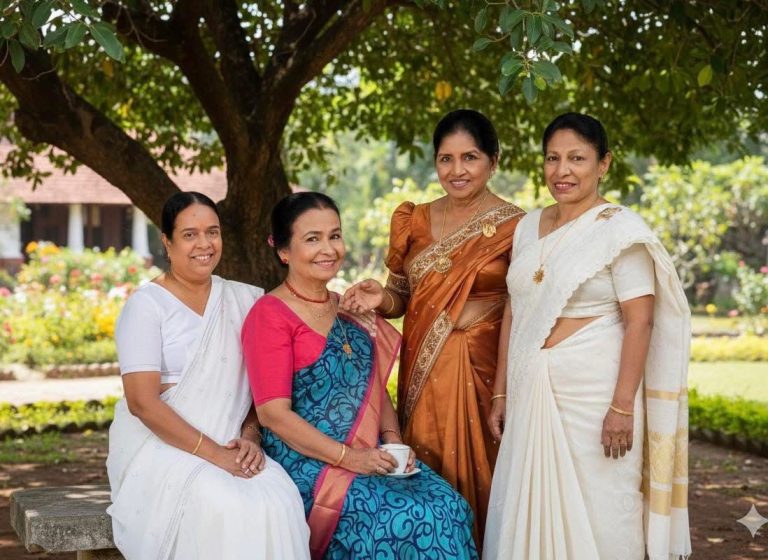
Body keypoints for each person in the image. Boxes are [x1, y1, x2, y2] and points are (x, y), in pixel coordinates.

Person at [484, 113, 691, 559]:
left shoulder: (620, 230)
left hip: (596, 399)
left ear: (604, 164)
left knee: (602, 511)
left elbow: (640, 322)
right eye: (552, 158)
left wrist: (622, 407)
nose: (562, 171)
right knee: (530, 507)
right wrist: (501, 392)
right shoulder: (527, 227)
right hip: (531, 389)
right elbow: (515, 309)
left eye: (577, 158)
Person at [241, 192, 478, 560]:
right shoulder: (269, 315)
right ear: (284, 250)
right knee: (405, 518)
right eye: (312, 238)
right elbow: (273, 414)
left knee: (450, 506)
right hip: (309, 462)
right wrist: (349, 458)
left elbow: (373, 387)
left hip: (370, 453)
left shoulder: (348, 307)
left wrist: (394, 443)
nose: (328, 249)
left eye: (334, 236)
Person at [341, 109, 524, 544]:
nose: (457, 170)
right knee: (427, 465)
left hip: (488, 375)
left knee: (490, 471)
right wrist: (379, 298)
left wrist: (503, 389)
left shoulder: (518, 227)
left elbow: (525, 309)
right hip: (425, 373)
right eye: (446, 159)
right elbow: (400, 296)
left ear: (494, 161)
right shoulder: (415, 220)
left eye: (470, 157)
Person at [106, 191, 309, 560]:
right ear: (167, 242)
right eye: (189, 234)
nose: (204, 244)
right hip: (162, 448)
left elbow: (258, 387)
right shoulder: (146, 306)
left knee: (278, 497)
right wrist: (216, 455)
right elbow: (142, 403)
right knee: (223, 505)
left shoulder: (245, 300)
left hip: (233, 444)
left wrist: (250, 436)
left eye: (212, 232)